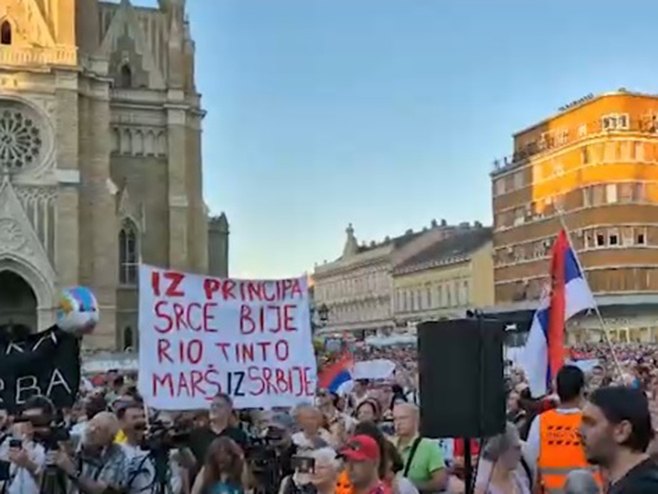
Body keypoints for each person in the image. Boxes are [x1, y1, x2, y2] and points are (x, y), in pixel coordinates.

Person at [527, 365, 602, 492]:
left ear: (556, 389)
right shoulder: (593, 421)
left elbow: (531, 463)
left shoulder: (540, 421)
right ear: (582, 389)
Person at [580, 386, 658, 493]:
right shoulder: (631, 484)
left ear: (622, 431)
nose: (579, 431)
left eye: (590, 423)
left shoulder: (643, 489)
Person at [392, 403, 447, 492]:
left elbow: (440, 482)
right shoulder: (389, 444)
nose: (398, 423)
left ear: (416, 420)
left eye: (403, 418)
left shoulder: (429, 446)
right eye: (395, 419)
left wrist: (410, 487)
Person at [474, 423, 530, 494]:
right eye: (516, 449)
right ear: (499, 451)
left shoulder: (520, 482)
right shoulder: (482, 489)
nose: (520, 453)